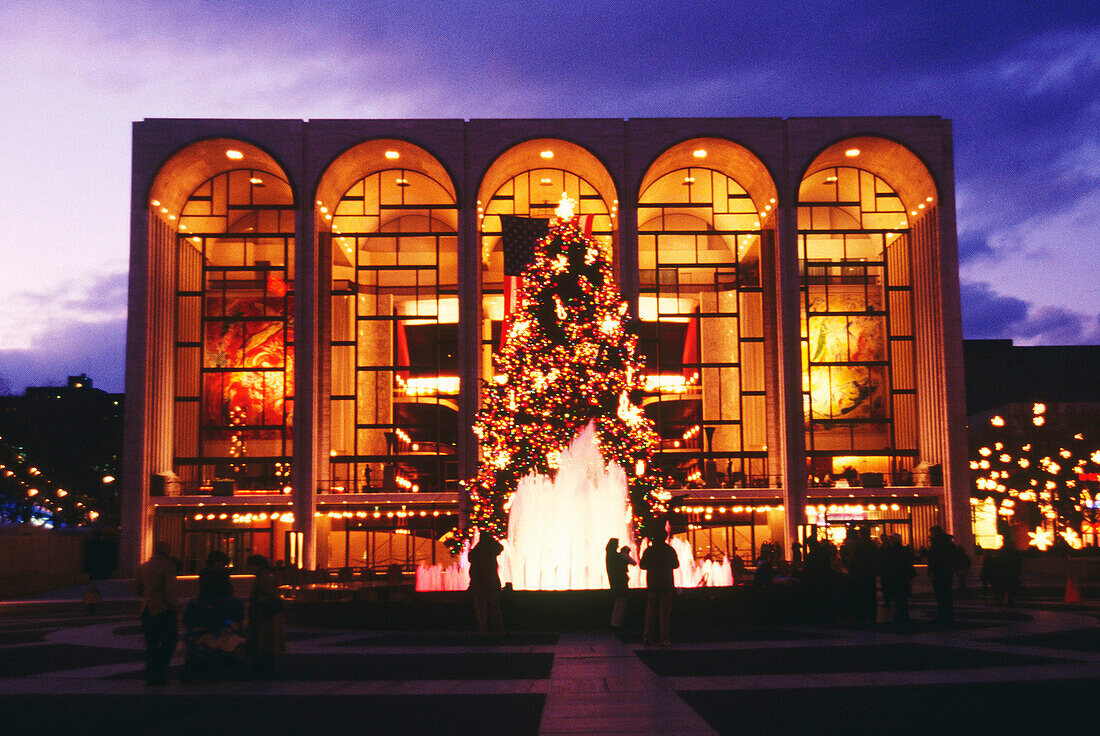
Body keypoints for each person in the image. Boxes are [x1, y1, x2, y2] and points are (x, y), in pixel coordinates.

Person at [135, 540, 179, 686]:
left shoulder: (144, 567)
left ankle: (151, 672)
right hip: (163, 608)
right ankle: (159, 671)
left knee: (151, 643)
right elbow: (170, 589)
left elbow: (137, 588)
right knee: (169, 641)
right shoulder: (168, 566)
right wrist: (173, 605)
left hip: (147, 607)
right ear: (167, 551)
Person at [245, 553, 285, 677]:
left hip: (265, 615)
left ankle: (263, 669)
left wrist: (258, 602)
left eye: (249, 565)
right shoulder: (264, 576)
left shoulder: (265, 577)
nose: (247, 568)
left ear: (256, 566)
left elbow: (270, 595)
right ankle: (263, 668)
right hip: (266, 614)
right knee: (266, 642)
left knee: (264, 641)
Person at [640, 529, 679, 646]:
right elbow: (676, 565)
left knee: (651, 612)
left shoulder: (649, 550)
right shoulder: (669, 550)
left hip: (653, 584)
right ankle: (664, 638)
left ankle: (647, 637)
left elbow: (642, 565)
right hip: (666, 584)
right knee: (665, 613)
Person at [468, 534, 505, 637]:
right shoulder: (490, 552)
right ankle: (497, 628)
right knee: (494, 607)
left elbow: (473, 571)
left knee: (482, 608)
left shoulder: (476, 552)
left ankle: (484, 629)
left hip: (480, 584)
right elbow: (500, 548)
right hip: (490, 583)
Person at [927, 525, 965, 624]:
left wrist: (931, 570)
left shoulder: (936, 544)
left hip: (939, 572)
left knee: (941, 594)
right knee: (946, 594)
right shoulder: (949, 543)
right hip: (947, 572)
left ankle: (943, 614)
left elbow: (933, 559)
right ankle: (947, 614)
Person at [880, 534, 916, 622]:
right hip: (902, 577)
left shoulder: (891, 551)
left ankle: (901, 615)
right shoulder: (903, 550)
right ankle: (903, 614)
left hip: (895, 576)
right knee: (902, 598)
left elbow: (888, 563)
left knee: (898, 597)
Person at [605, 538, 631, 629]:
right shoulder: (615, 556)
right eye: (616, 545)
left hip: (615, 581)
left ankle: (616, 622)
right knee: (620, 602)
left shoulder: (610, 555)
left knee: (619, 602)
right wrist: (624, 553)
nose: (618, 546)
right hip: (619, 582)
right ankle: (616, 623)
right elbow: (632, 562)